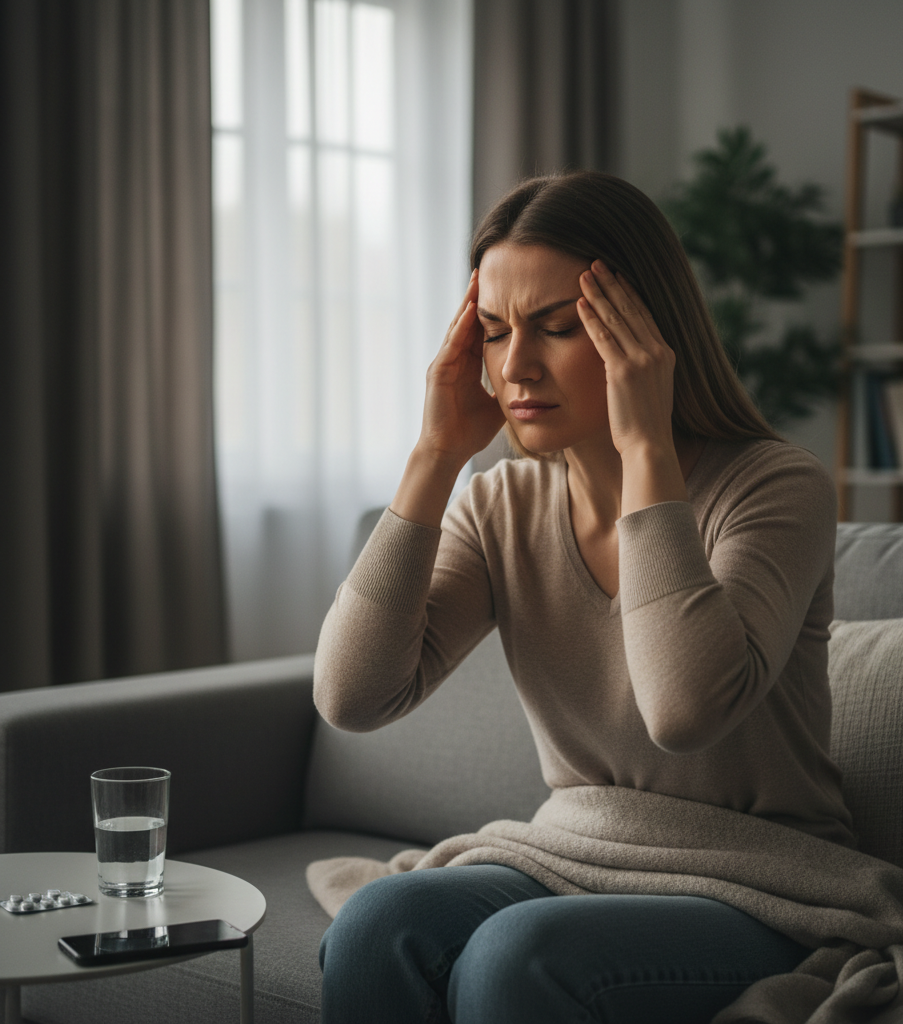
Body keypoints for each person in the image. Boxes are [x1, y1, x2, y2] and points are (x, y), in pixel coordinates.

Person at [311, 171, 855, 1024]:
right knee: (380, 922)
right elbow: (351, 697)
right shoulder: (499, 505)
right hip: (577, 849)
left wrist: (646, 448)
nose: (515, 365)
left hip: (759, 883)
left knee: (514, 957)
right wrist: (434, 456)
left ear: (645, 333)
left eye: (557, 327)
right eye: (492, 332)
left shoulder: (772, 488)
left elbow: (681, 712)